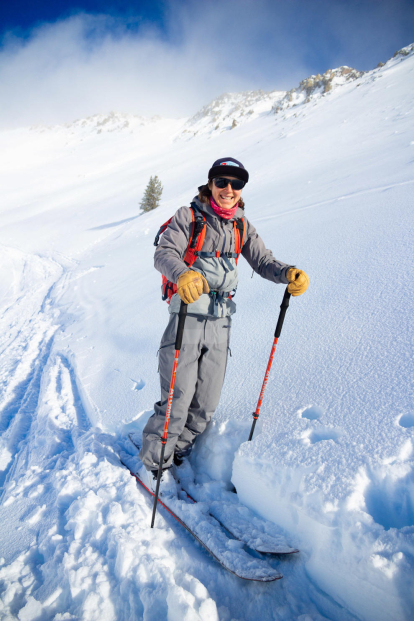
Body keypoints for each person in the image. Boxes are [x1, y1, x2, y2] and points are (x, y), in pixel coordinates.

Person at [139, 157, 309, 494]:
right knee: (177, 398)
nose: (229, 189)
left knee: (205, 404)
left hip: (221, 319)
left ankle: (180, 451)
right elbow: (163, 253)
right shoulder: (188, 216)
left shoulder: (241, 225)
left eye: (236, 184)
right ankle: (154, 466)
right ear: (210, 184)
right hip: (187, 316)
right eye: (222, 182)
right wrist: (182, 273)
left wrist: (288, 272)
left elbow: (262, 260)